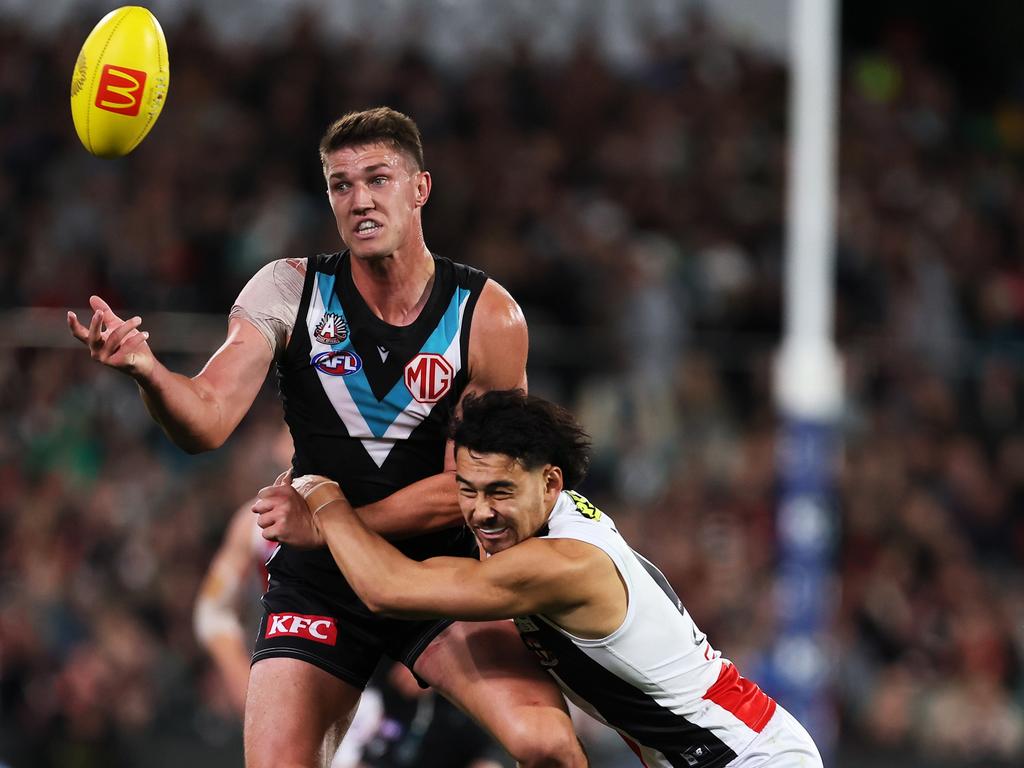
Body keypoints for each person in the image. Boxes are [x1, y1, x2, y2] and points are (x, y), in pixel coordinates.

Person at [68, 107, 585, 768]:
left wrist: (332, 521)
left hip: (441, 574)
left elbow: (478, 490)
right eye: (341, 185)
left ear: (420, 187)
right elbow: (207, 418)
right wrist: (147, 371)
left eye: (378, 179)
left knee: (548, 747)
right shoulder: (288, 289)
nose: (360, 200)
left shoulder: (487, 317)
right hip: (321, 586)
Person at [268, 390, 825, 768]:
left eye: (499, 492)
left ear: (550, 482)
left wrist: (323, 497)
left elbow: (388, 589)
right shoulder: (543, 523)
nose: (480, 512)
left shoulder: (560, 564)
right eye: (467, 488)